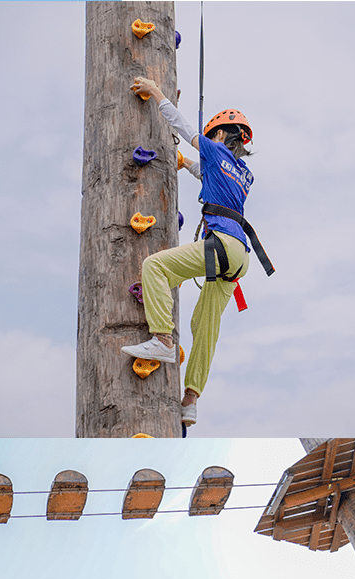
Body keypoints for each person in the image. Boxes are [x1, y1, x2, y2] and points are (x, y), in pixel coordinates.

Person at [122, 77, 273, 428]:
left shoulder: (216, 150)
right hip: (239, 258)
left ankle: (161, 339)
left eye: (213, 135)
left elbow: (183, 125)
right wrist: (185, 164)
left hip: (220, 246)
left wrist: (157, 94)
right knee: (205, 325)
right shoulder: (244, 173)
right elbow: (210, 177)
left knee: (155, 267)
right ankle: (191, 400)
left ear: (220, 135)